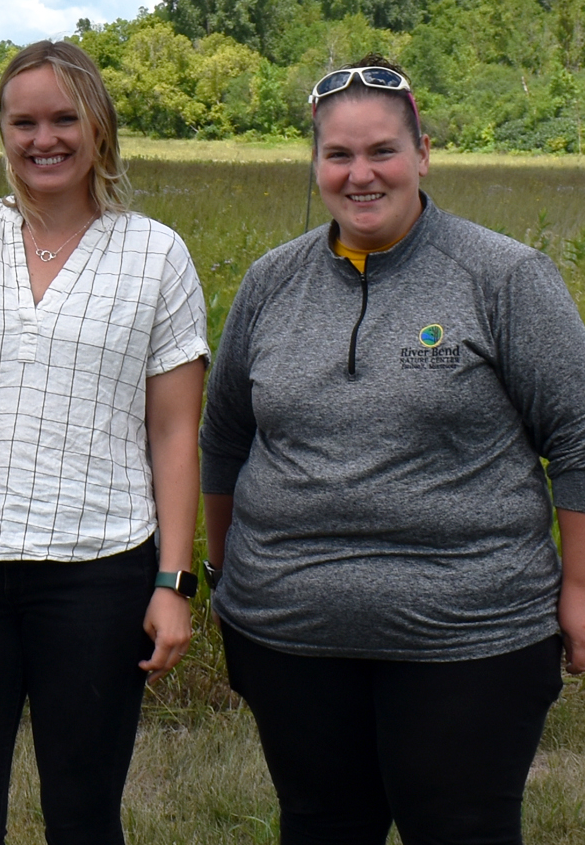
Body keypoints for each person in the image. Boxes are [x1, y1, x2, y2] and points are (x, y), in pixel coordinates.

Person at [201, 55, 585, 844]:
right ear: (316, 164)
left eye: (381, 150)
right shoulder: (271, 282)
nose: (360, 174)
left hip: (470, 637)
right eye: (338, 155)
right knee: (320, 825)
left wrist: (579, 585)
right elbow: (225, 438)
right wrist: (224, 571)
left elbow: (577, 437)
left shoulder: (505, 276)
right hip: (288, 632)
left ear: (423, 153)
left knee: (463, 829)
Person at [0, 40, 209, 844]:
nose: (43, 138)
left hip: (100, 571)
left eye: (63, 118)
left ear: (99, 128)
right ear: (1, 129)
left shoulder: (156, 254)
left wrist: (173, 579)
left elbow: (174, 431)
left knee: (84, 813)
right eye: (23, 121)